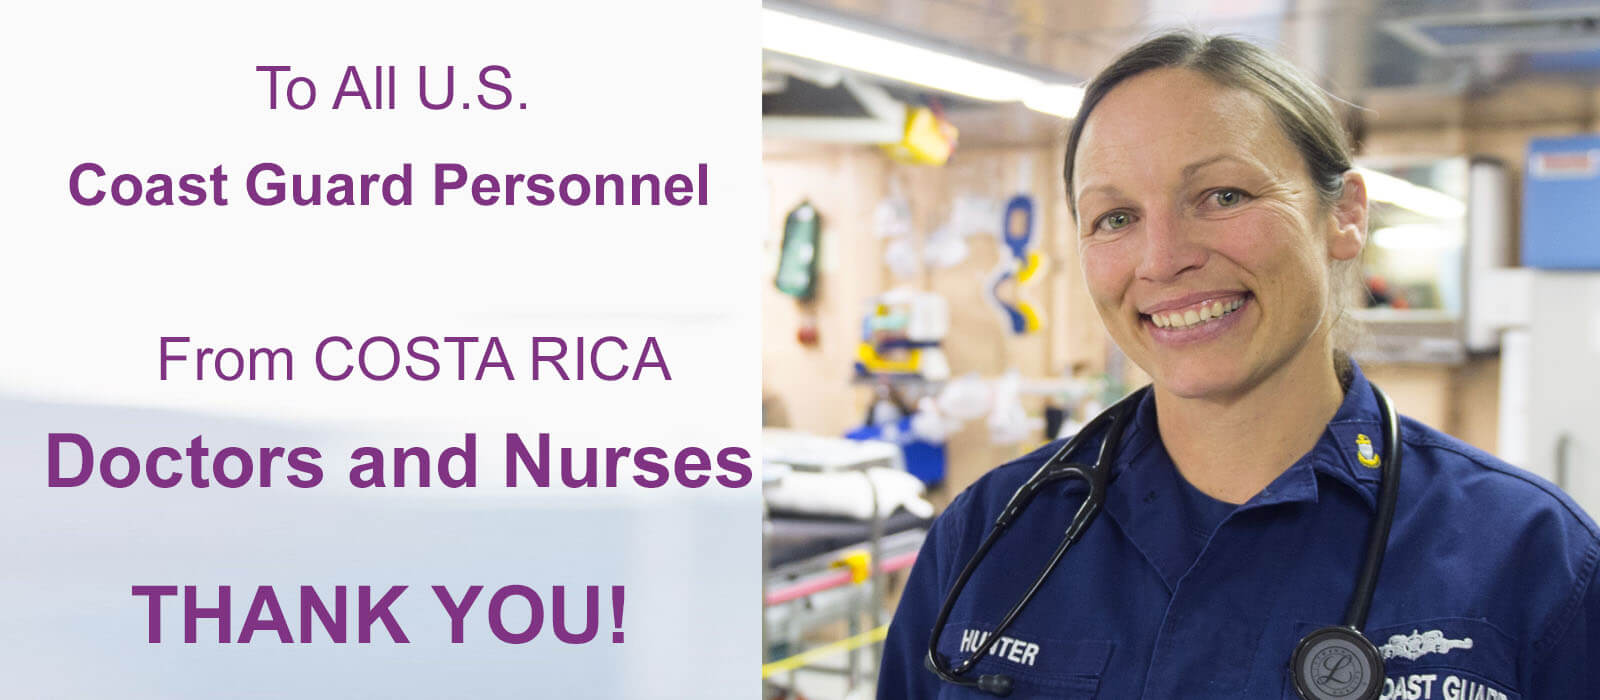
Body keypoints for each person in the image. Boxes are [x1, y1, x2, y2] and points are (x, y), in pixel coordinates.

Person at [878, 31, 1600, 699]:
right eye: (1116, 218)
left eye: (1223, 195)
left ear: (1344, 215)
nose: (1163, 259)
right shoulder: (989, 538)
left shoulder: (1533, 561)